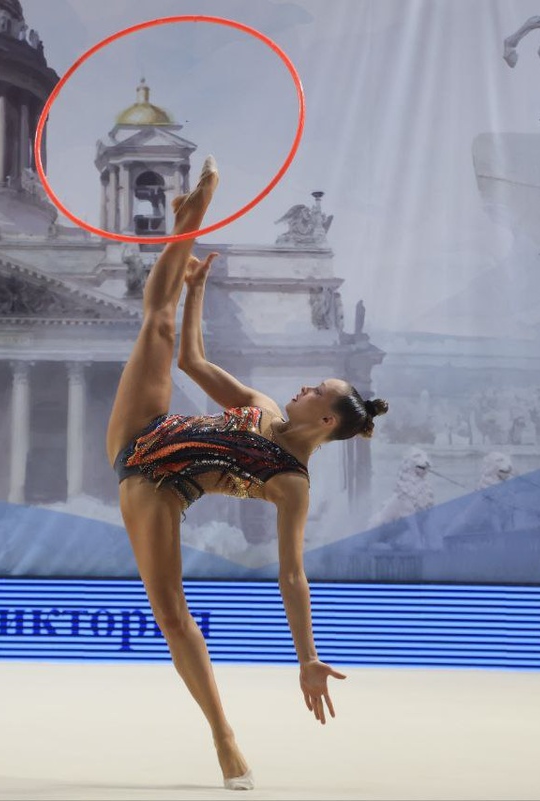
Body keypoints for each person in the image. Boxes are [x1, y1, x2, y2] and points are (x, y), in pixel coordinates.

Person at [106, 156, 388, 790]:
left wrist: (308, 658)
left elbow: (292, 576)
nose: (304, 386)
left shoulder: (292, 483)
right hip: (145, 427)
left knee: (173, 615)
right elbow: (191, 360)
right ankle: (190, 220)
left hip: (154, 486)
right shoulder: (261, 406)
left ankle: (223, 735)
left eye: (316, 390)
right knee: (157, 320)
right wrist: (197, 289)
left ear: (326, 421)